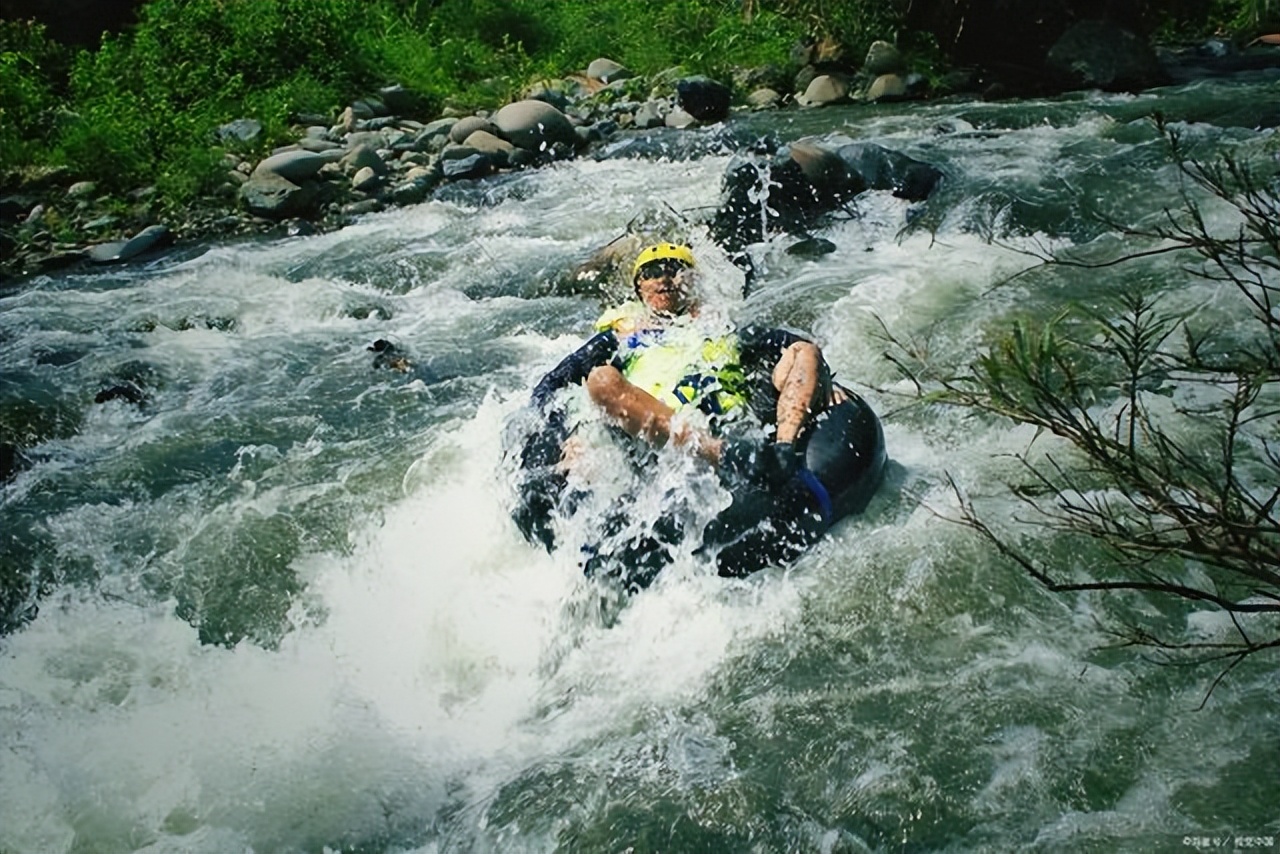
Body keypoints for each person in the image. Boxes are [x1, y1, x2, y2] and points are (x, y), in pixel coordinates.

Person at [510, 242, 885, 589]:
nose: (665, 278)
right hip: (649, 436)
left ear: (692, 280)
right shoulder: (622, 337)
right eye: (653, 272)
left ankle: (781, 453)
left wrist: (823, 379)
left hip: (723, 423)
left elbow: (791, 347)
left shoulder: (721, 328)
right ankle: (729, 454)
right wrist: (566, 432)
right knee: (601, 380)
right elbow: (550, 388)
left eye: (675, 269)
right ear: (640, 287)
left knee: (805, 350)